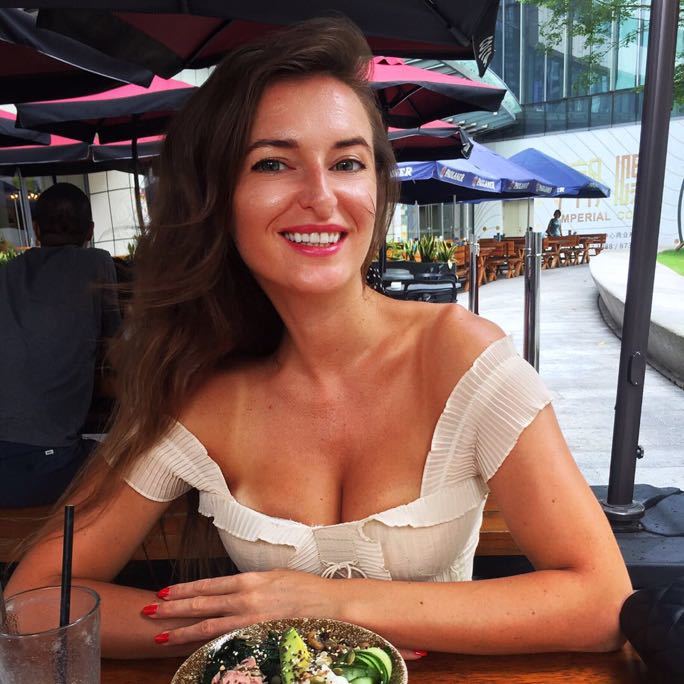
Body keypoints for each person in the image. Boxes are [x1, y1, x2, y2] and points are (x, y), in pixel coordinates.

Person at [7, 19, 632, 660]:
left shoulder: (460, 358)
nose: (321, 195)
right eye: (273, 163)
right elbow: (34, 602)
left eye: (347, 163)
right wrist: (252, 630)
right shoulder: (198, 393)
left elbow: (602, 601)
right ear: (217, 198)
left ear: (377, 187)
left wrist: (326, 604)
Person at [0, 183, 120, 506]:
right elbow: (116, 345)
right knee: (133, 459)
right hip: (48, 467)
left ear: (36, 230)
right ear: (90, 231)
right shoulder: (97, 263)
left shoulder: (7, 273)